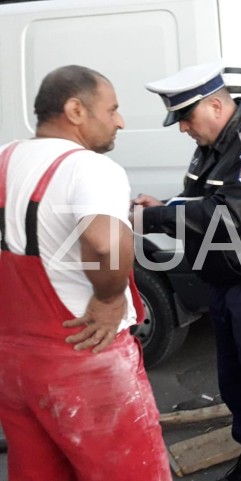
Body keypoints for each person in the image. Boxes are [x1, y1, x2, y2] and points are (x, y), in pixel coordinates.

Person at [0, 65, 170, 480]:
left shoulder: (5, 157)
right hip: (84, 357)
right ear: (76, 110)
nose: (120, 121)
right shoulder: (89, 168)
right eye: (111, 109)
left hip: (11, 361)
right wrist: (111, 299)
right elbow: (104, 241)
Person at [134, 61, 241, 481]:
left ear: (214, 106)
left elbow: (228, 213)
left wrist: (155, 219)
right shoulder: (214, 146)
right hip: (223, 283)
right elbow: (194, 200)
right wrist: (165, 207)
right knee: (236, 386)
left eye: (186, 118)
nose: (183, 129)